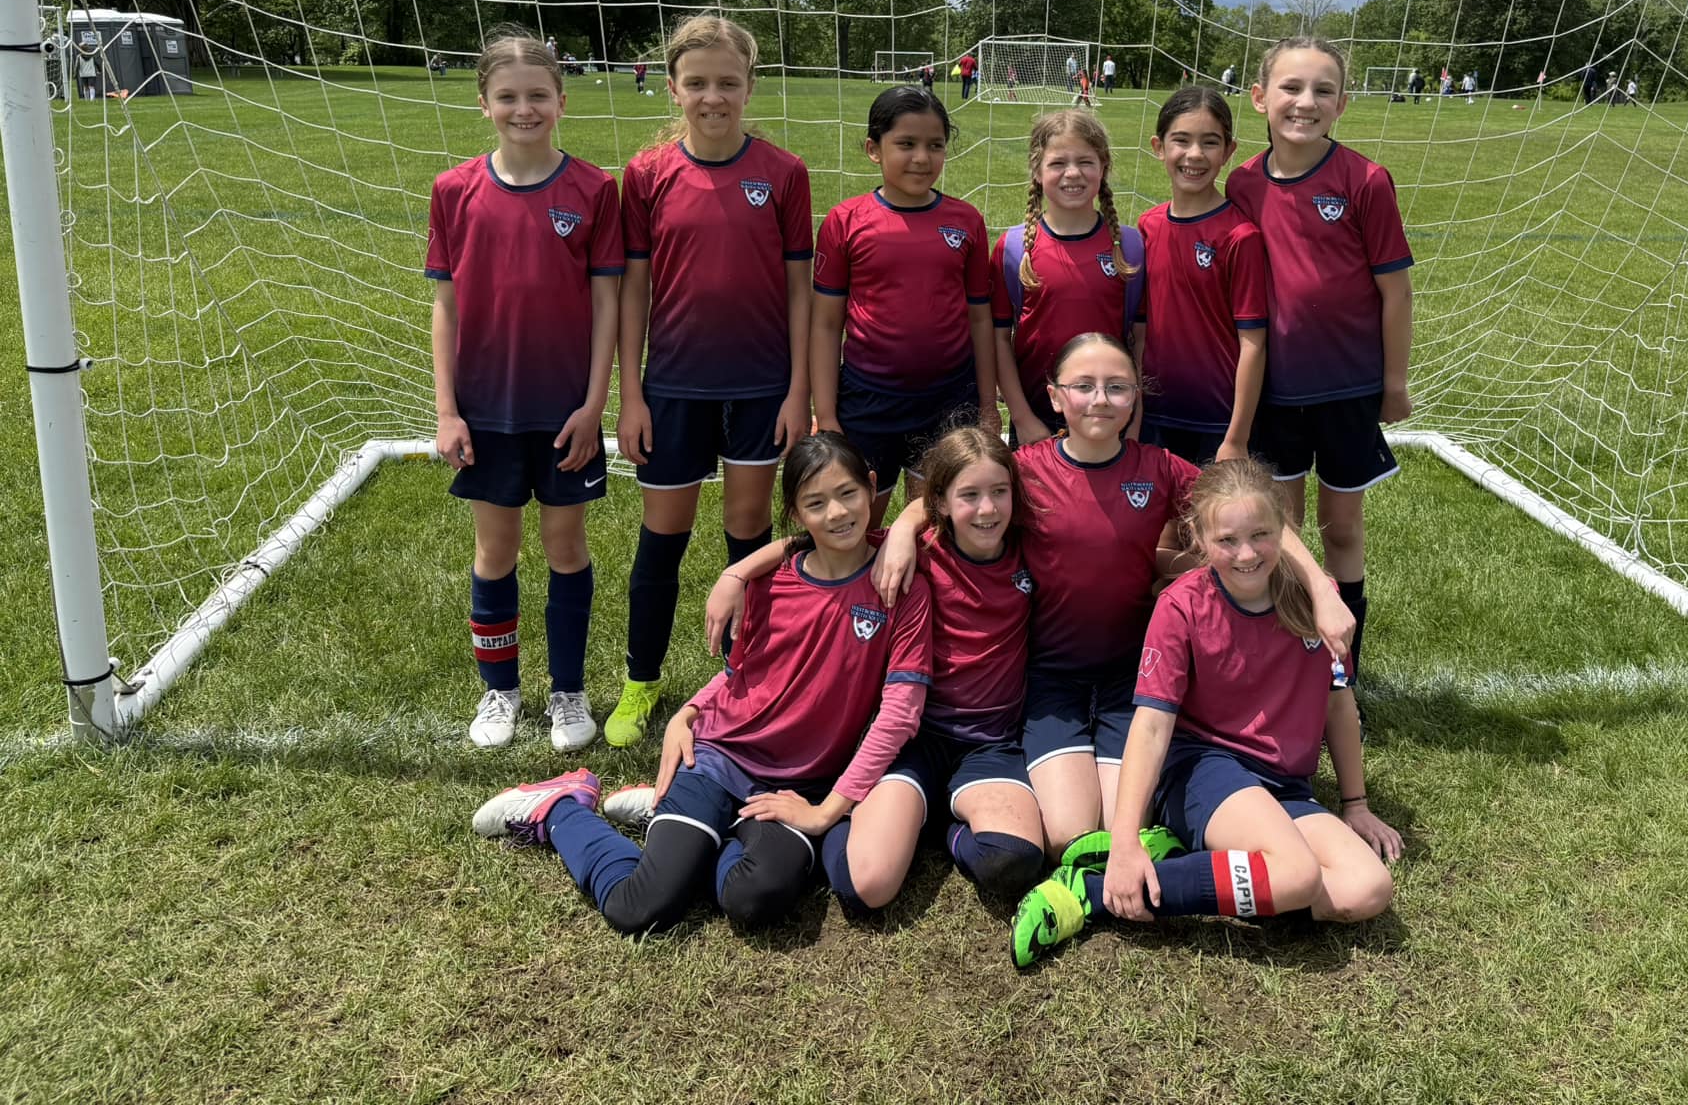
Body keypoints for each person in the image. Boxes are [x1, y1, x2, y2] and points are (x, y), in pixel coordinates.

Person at [876, 332, 1353, 858]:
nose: (1100, 399)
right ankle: (966, 819)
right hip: (1049, 679)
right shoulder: (1028, 469)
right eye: (1084, 386)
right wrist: (901, 526)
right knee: (1069, 835)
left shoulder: (1158, 468)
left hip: (1133, 676)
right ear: (1055, 396)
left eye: (1117, 387)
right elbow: (959, 488)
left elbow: (1251, 509)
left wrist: (1321, 588)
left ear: (1136, 397)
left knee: (1120, 823)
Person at [471, 433, 935, 934]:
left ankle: (683, 825)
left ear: (871, 489)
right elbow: (741, 676)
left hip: (802, 781)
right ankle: (560, 806)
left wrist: (826, 810)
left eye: (848, 493)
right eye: (816, 503)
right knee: (640, 908)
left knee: (754, 900)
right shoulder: (770, 581)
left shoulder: (899, 579)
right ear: (797, 515)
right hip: (719, 756)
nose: (839, 513)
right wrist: (688, 712)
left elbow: (899, 713)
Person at [1009, 457, 1400, 967]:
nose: (1245, 554)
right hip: (1201, 768)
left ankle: (1191, 867)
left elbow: (1337, 702)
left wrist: (1356, 803)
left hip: (1284, 787)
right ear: (1198, 536)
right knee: (1296, 874)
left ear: (1284, 527)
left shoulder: (1317, 604)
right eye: (1227, 540)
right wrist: (1124, 840)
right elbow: (1150, 729)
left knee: (1365, 888)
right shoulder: (1183, 606)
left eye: (1261, 535)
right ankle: (1094, 891)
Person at [707, 425, 1047, 910]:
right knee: (865, 888)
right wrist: (736, 571)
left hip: (989, 743)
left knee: (1010, 861)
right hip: (913, 740)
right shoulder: (915, 550)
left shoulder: (1031, 551)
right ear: (942, 505)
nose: (987, 509)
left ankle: (937, 830)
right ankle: (874, 822)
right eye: (969, 495)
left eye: (999, 492)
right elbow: (811, 542)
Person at [604, 16, 814, 747]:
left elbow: (800, 293)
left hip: (760, 386)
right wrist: (630, 394)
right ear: (673, 88)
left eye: (728, 83)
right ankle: (641, 681)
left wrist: (798, 393)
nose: (713, 97)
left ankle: (744, 677)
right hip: (673, 387)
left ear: (751, 87)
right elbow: (633, 291)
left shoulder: (784, 174)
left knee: (746, 535)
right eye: (697, 84)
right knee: (662, 537)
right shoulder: (647, 174)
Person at [427, 28, 624, 750]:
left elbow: (607, 304)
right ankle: (500, 694)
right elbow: (445, 305)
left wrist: (594, 402)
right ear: (484, 103)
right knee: (496, 549)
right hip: (487, 409)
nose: (524, 108)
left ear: (562, 101)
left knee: (566, 545)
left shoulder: (594, 189)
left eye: (537, 95)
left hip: (565, 410)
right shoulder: (455, 191)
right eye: (507, 96)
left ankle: (568, 694)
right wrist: (448, 410)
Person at [1227, 36, 1414, 681]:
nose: (1305, 102)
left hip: (1347, 387)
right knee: (1282, 529)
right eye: (1291, 88)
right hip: (1275, 389)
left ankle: (1343, 669)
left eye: (1323, 91)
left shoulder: (1365, 180)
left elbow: (1395, 290)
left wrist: (1394, 381)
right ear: (1259, 99)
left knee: (1340, 529)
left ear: (1342, 103)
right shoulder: (1242, 183)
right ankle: (1291, 658)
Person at [812, 86, 998, 524]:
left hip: (949, 398)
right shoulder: (846, 221)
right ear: (873, 149)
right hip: (868, 399)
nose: (922, 158)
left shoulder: (965, 220)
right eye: (906, 144)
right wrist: (825, 412)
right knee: (858, 525)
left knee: (937, 526)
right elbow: (824, 324)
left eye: (935, 146)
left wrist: (988, 405)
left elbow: (979, 318)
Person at [992, 110, 1144, 445]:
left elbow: (1138, 340)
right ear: (1037, 169)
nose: (1072, 173)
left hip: (1108, 413)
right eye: (1058, 163)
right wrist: (1022, 417)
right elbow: (999, 340)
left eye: (1086, 162)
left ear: (1103, 167)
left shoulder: (1130, 246)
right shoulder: (1014, 248)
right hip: (1036, 418)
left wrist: (1135, 418)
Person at [1137, 87, 1268, 467]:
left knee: (1215, 525)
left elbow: (1253, 344)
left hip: (1218, 420)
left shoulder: (1240, 236)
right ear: (1158, 146)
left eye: (1209, 143)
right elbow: (1141, 328)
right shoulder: (1147, 226)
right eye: (1181, 140)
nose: (1194, 155)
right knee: (1162, 526)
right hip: (1156, 412)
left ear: (1229, 151)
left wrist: (1237, 436)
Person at [77, 31, 100, 101]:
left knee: (85, 87)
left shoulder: (79, 57)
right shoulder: (92, 55)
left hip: (83, 74)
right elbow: (97, 63)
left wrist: (75, 74)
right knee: (91, 86)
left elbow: (76, 66)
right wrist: (99, 70)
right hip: (91, 73)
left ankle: (86, 99)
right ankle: (92, 99)